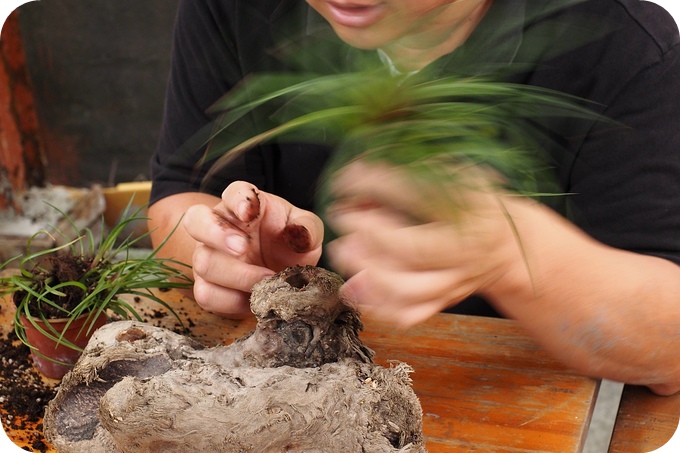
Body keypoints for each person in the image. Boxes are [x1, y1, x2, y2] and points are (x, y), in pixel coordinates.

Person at [148, 0, 680, 395]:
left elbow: (669, 346)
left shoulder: (621, 45)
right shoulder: (231, 9)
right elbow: (178, 194)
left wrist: (514, 255)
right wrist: (229, 253)